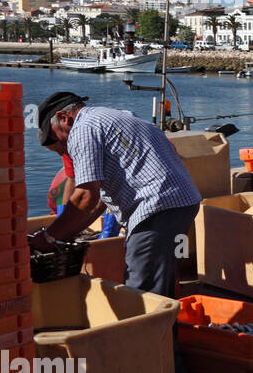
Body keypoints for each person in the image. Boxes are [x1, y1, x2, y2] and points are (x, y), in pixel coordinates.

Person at [33, 91, 201, 298]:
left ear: (63, 118)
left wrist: (50, 237)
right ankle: (168, 329)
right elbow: (97, 202)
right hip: (182, 204)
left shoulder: (82, 129)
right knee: (165, 280)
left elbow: (86, 195)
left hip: (156, 208)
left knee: (142, 291)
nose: (64, 151)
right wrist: (65, 233)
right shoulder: (113, 115)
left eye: (56, 139)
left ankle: (147, 329)